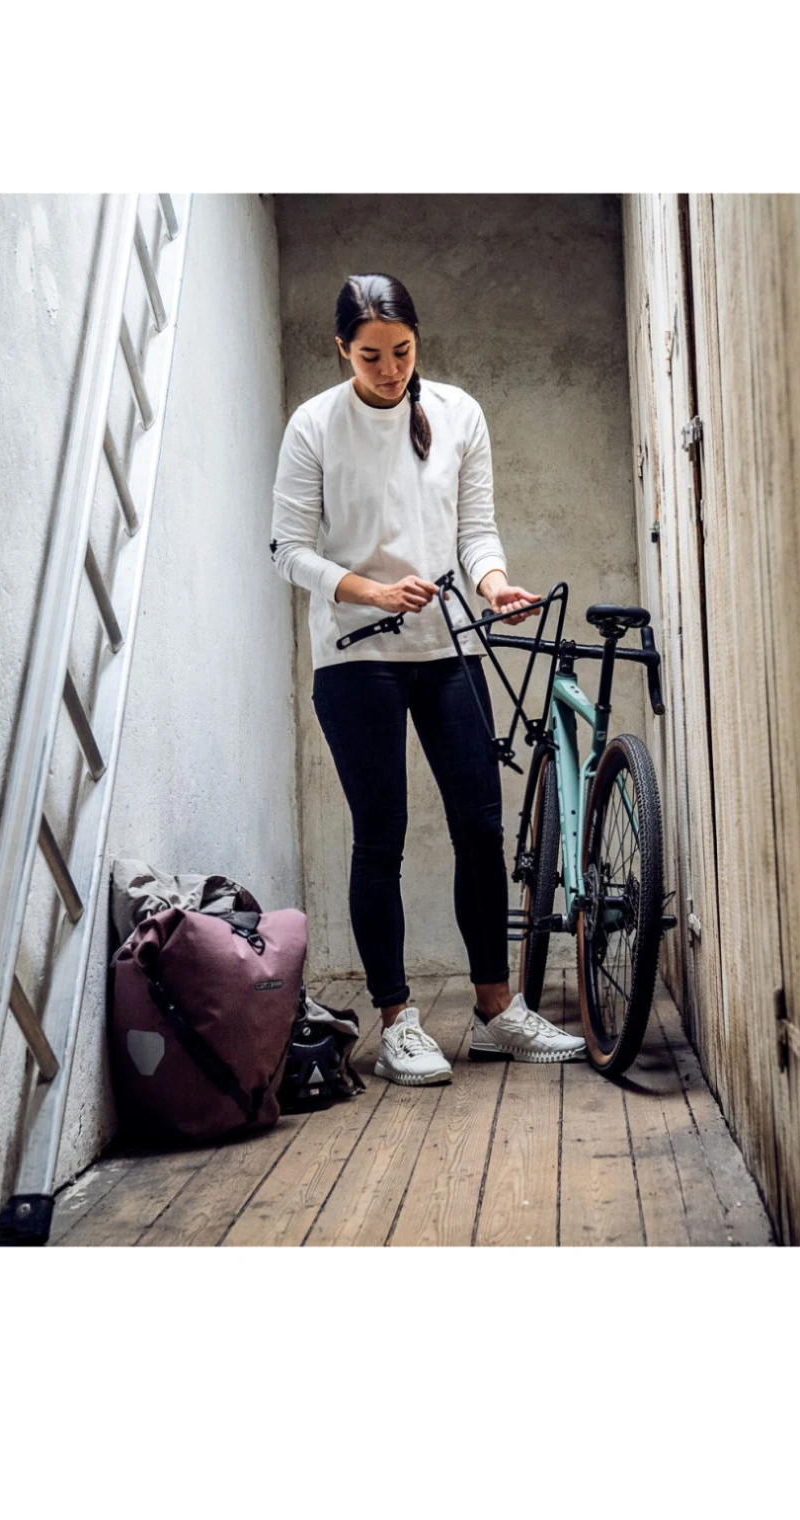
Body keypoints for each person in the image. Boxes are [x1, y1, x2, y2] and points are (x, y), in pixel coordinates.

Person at [269, 272, 585, 1084]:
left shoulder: (457, 413)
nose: (390, 370)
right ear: (342, 350)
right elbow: (287, 551)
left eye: (402, 352)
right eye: (371, 356)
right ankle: (398, 1022)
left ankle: (495, 1013)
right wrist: (371, 590)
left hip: (450, 648)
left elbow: (475, 531)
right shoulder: (314, 424)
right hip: (356, 657)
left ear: (417, 342)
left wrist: (493, 585)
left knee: (481, 828)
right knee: (381, 836)